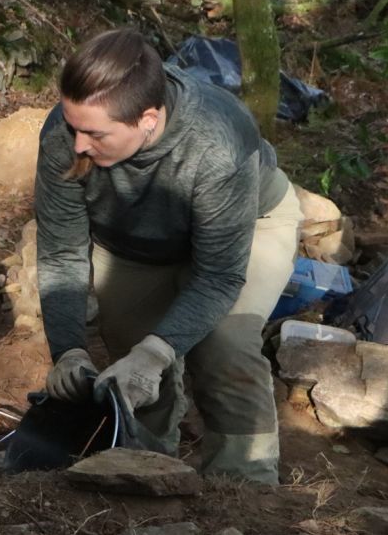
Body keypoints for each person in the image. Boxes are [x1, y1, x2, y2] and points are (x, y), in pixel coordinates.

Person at [35, 28, 302, 485]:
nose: (78, 144)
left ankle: (245, 485)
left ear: (148, 119)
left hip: (248, 229)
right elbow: (62, 251)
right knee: (128, 358)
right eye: (73, 126)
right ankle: (145, 465)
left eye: (95, 133)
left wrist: (158, 353)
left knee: (226, 346)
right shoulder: (66, 135)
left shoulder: (217, 142)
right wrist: (69, 350)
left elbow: (219, 275)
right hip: (137, 242)